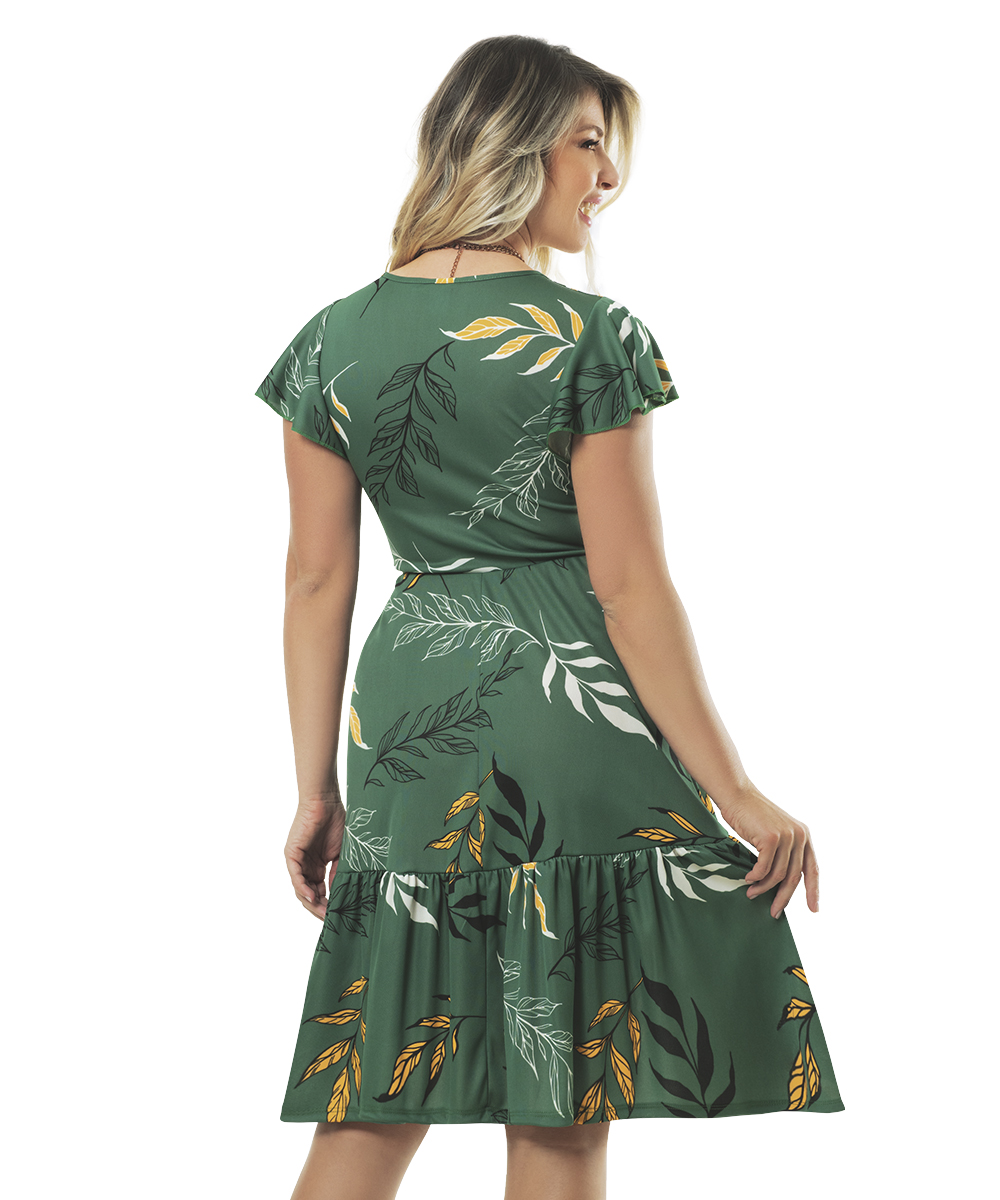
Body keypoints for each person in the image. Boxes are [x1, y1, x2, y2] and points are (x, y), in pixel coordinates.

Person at [254, 33, 845, 1200]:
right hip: (566, 718)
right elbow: (626, 585)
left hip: (410, 722)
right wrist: (735, 791)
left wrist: (315, 790)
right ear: (510, 146)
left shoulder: (329, 341)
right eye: (585, 144)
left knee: (374, 1089)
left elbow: (315, 582)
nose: (606, 176)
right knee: (562, 1099)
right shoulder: (588, 336)